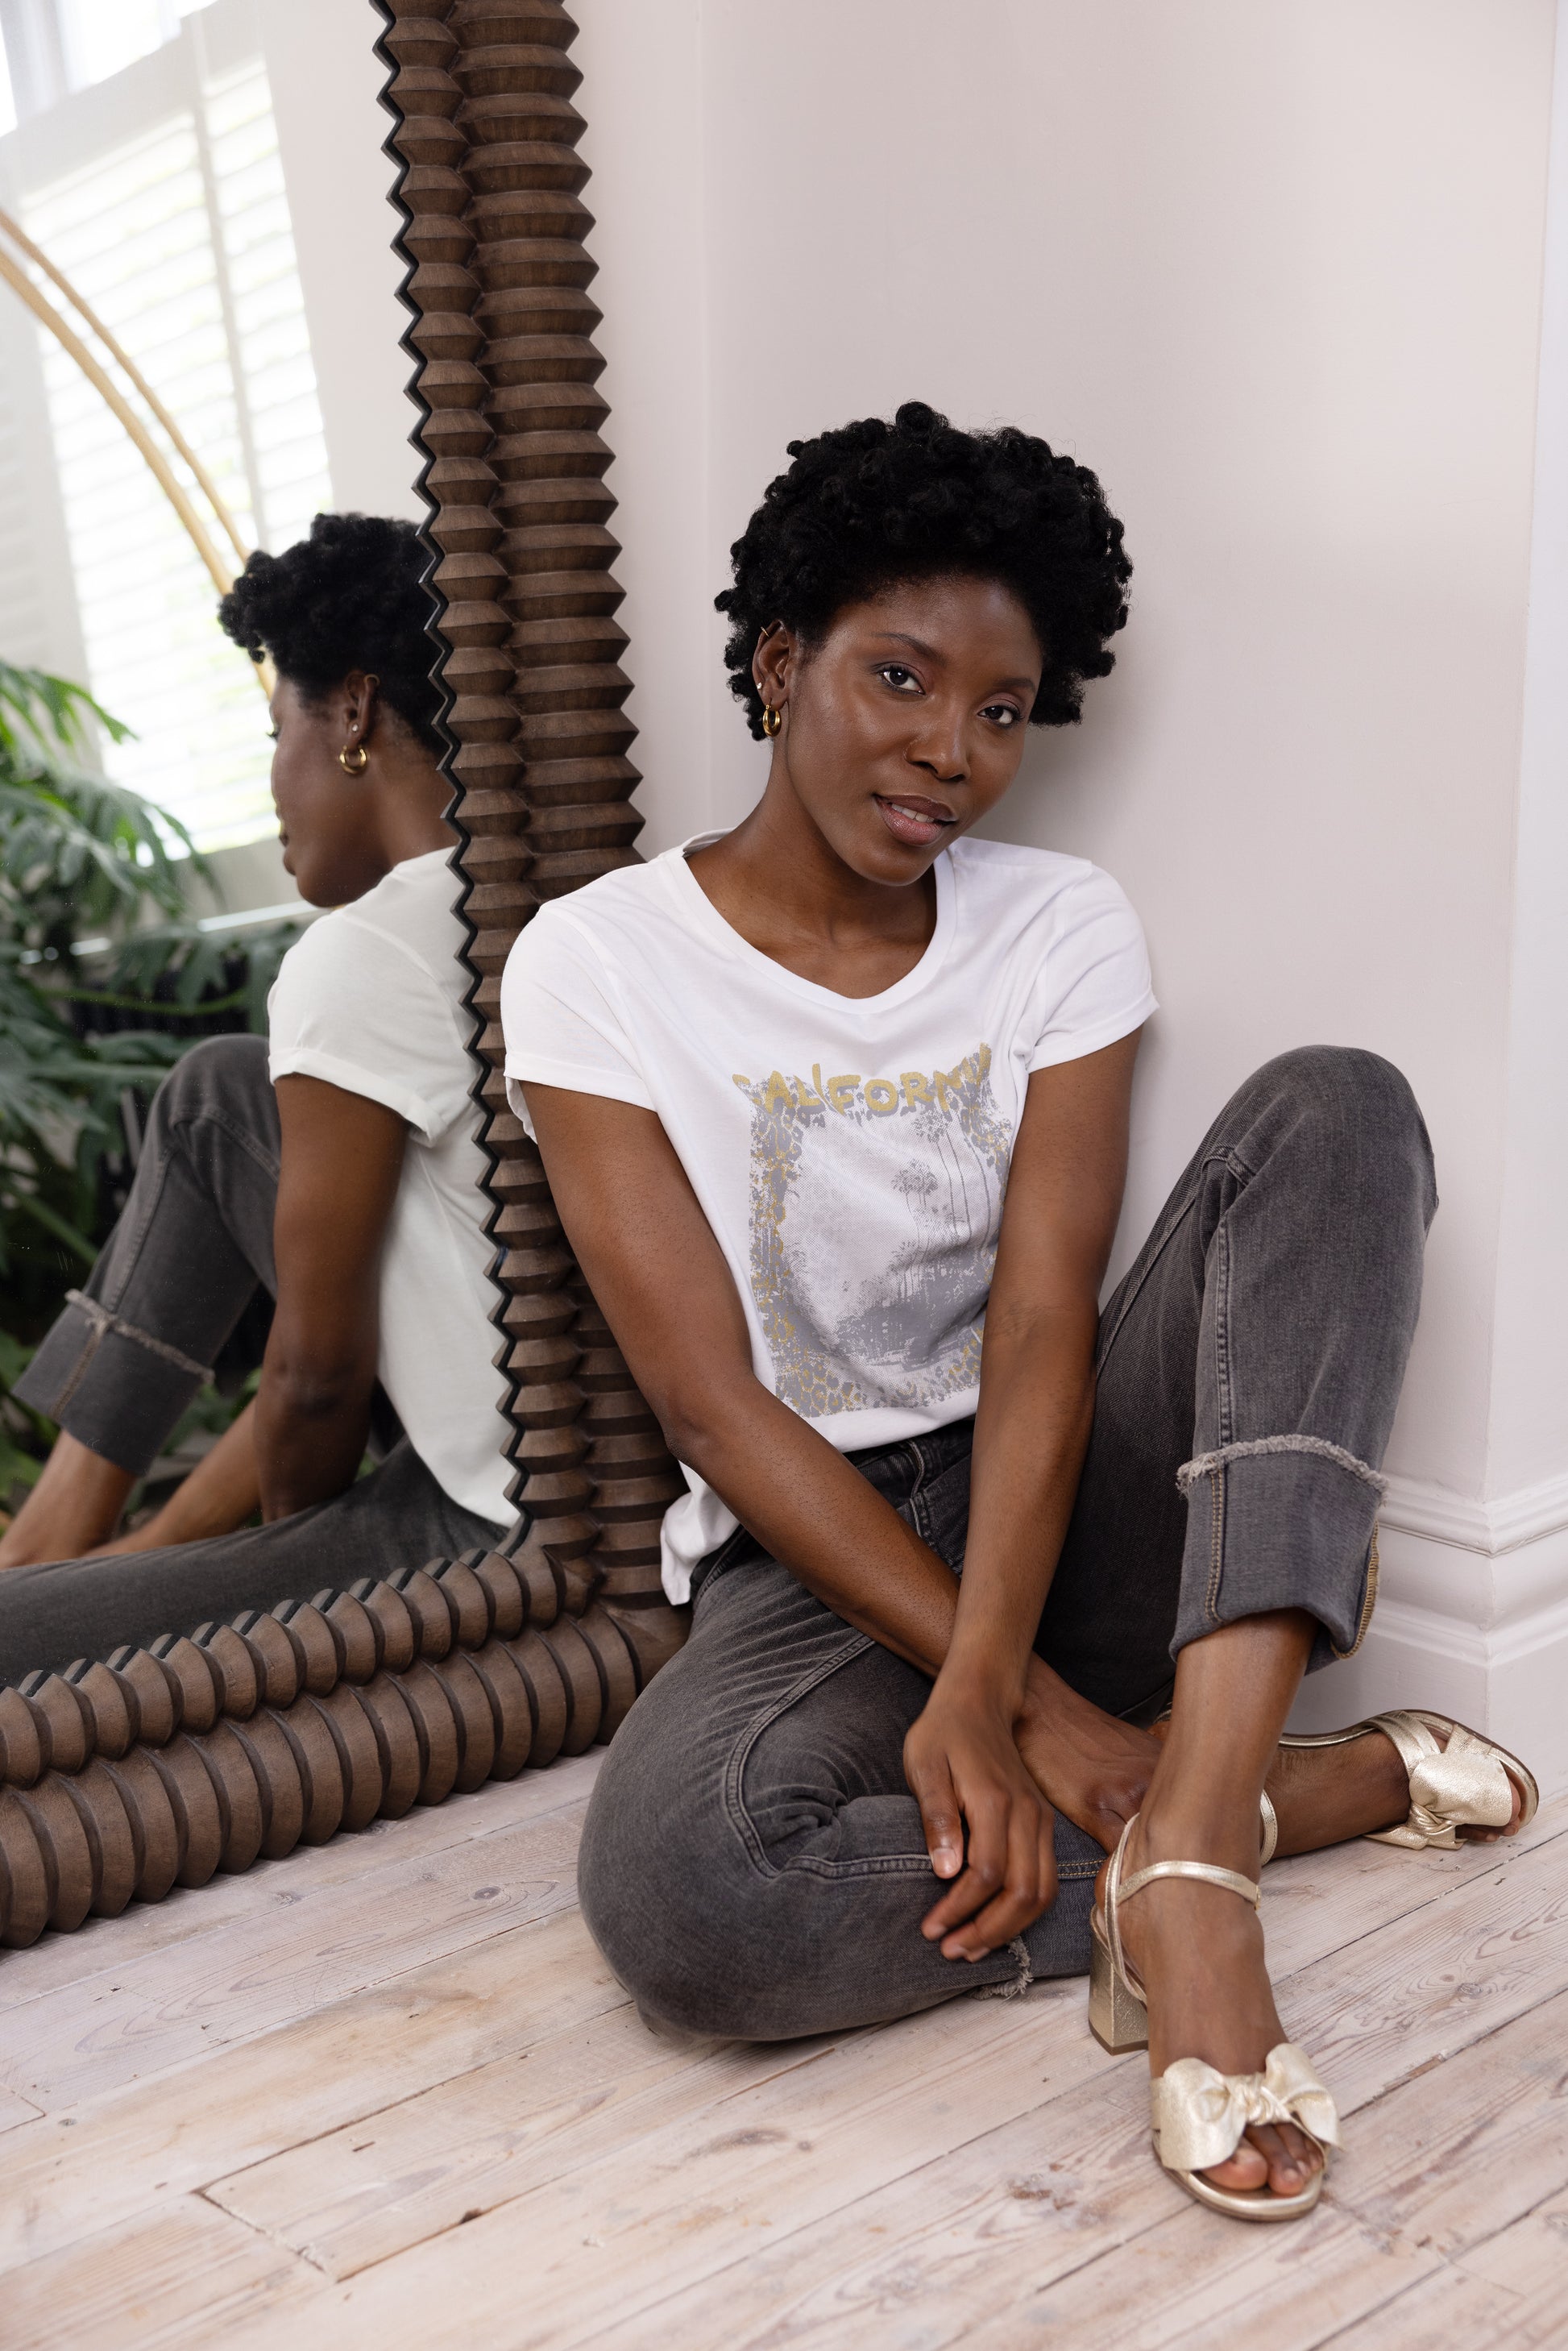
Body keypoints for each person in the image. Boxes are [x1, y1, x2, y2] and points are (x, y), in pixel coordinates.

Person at [500, 403, 1537, 2223]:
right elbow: (712, 1406)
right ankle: (1267, 1796)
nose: (951, 752)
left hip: (1054, 1479)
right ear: (774, 658)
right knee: (687, 1900)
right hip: (800, 1542)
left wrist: (1000, 1685)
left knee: (1339, 1101)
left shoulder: (1057, 924)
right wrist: (1020, 1704)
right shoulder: (592, 963)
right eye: (899, 677)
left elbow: (1046, 1320)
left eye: (999, 709)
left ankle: (1194, 1876)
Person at [0, 513, 513, 1675]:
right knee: (218, 1088)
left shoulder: (361, 954)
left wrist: (284, 1596)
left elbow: (318, 1379)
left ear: (350, 714)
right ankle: (74, 1541)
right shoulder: (538, 893)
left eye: (273, 725)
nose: (272, 778)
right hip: (513, 1448)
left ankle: (69, 1562)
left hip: (477, 1524)